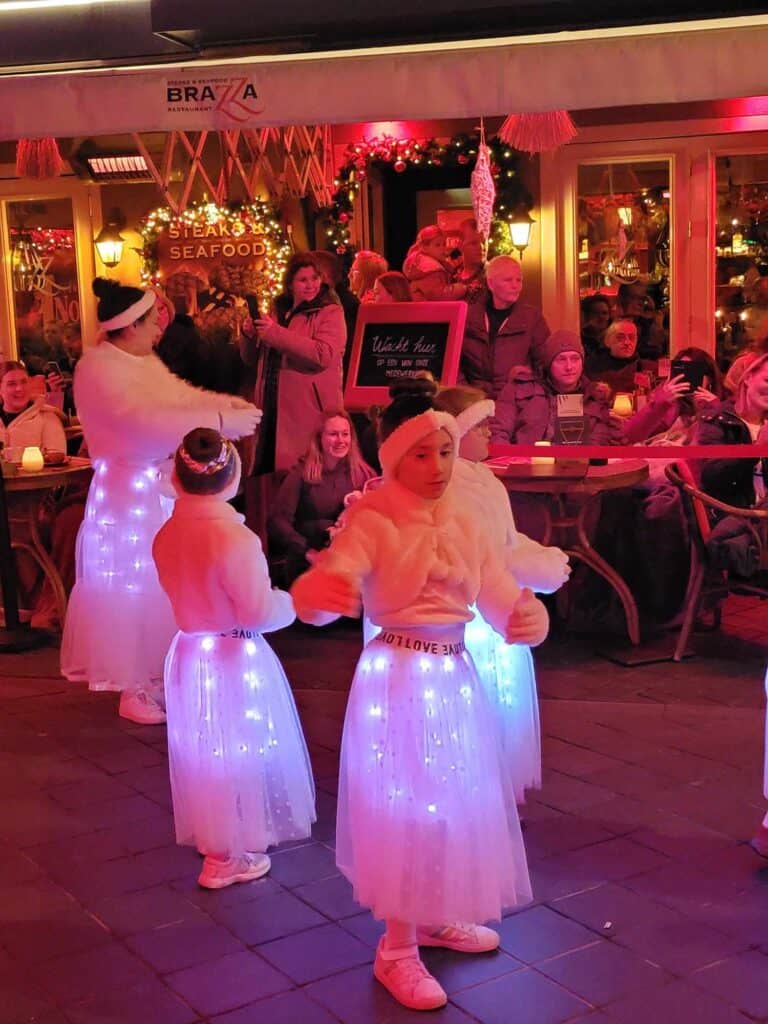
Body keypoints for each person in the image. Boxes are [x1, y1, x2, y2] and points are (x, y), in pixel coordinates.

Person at [290, 382, 547, 1012]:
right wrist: (318, 596)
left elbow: (491, 585)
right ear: (393, 459)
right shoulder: (374, 518)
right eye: (421, 456)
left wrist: (522, 614)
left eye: (445, 452)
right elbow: (337, 578)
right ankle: (396, 948)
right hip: (399, 676)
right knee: (405, 807)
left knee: (450, 802)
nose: (437, 469)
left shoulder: (464, 515)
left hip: (454, 673)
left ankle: (433, 915)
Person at [61, 278, 261, 725]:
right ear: (130, 326)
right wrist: (218, 418)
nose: (159, 329)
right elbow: (142, 422)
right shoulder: (100, 370)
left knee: (165, 584)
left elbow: (176, 398)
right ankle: (133, 686)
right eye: (153, 320)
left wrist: (226, 407)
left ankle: (159, 677)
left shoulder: (140, 362)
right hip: (124, 496)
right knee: (133, 589)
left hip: (156, 489)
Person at [153, 427, 315, 889]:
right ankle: (228, 855)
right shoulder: (233, 538)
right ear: (233, 478)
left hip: (188, 652)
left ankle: (219, 846)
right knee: (236, 751)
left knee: (205, 753)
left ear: (179, 479)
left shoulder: (166, 533)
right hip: (232, 653)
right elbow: (258, 611)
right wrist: (292, 600)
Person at [434, 383, 569, 802]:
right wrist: (537, 567)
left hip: (497, 604)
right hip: (475, 618)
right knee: (479, 709)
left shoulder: (483, 478)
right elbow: (484, 556)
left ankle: (492, 790)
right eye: (482, 426)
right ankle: (474, 792)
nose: (492, 432)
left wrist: (540, 556)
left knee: (496, 708)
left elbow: (503, 542)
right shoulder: (453, 484)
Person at [241, 253, 347, 477]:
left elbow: (323, 355)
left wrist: (275, 333)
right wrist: (249, 335)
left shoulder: (330, 312)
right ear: (290, 284)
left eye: (314, 278)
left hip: (307, 408)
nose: (311, 285)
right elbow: (251, 360)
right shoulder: (277, 312)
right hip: (271, 405)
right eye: (303, 280)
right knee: (270, 471)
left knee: (303, 471)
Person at [491, 331, 684, 446]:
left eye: (575, 359)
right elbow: (497, 432)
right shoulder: (520, 388)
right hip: (524, 479)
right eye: (561, 359)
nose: (569, 366)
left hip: (577, 484)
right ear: (549, 363)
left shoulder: (592, 399)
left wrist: (658, 405)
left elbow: (619, 441)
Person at [268, 410, 375, 584]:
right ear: (319, 439)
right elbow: (277, 521)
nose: (340, 440)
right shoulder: (301, 474)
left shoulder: (364, 473)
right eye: (333, 434)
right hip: (309, 564)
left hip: (352, 567)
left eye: (345, 434)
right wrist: (308, 552)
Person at [460, 255, 550, 398]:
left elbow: (546, 363)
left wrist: (527, 381)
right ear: (490, 283)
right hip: (474, 399)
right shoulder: (468, 317)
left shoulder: (532, 318)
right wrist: (465, 395)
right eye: (508, 280)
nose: (515, 286)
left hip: (517, 398)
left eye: (519, 280)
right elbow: (456, 364)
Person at [584, 317, 655, 393]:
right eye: (620, 338)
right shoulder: (592, 367)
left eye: (632, 338)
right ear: (607, 341)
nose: (627, 343)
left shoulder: (648, 368)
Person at [402, 226, 466, 302]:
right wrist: (462, 288)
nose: (442, 248)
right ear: (425, 248)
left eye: (444, 244)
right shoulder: (428, 269)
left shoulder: (433, 265)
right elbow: (439, 294)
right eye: (437, 245)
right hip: (427, 311)